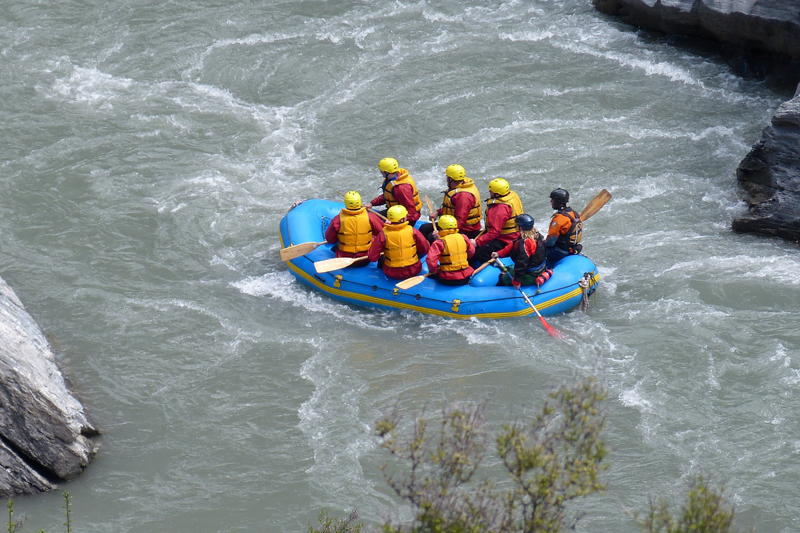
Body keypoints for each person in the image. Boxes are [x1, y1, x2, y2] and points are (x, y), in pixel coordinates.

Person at [420, 164, 482, 242]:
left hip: (465, 230)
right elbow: (453, 208)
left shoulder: (463, 197)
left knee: (431, 237)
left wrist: (442, 234)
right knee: (424, 228)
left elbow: (460, 222)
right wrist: (438, 212)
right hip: (451, 224)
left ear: (451, 179)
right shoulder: (460, 187)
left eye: (447, 177)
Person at [368, 205, 430, 280]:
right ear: (401, 220)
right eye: (405, 216)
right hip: (413, 270)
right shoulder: (413, 231)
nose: (407, 218)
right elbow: (425, 250)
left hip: (391, 272)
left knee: (382, 259)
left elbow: (372, 257)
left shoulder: (383, 233)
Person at [471, 178, 524, 265]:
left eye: (491, 191)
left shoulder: (500, 208)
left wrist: (477, 242)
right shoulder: (512, 196)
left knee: (481, 252)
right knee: (474, 235)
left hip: (505, 239)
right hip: (512, 234)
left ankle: (495, 268)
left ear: (497, 194)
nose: (490, 192)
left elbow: (494, 232)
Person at [490, 214, 551, 288]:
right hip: (541, 269)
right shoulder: (537, 235)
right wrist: (499, 253)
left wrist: (517, 281)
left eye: (517, 225)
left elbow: (522, 263)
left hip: (530, 275)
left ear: (521, 227)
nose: (516, 227)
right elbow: (512, 245)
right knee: (509, 268)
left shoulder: (524, 243)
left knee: (503, 278)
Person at [324, 191, 385, 258]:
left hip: (344, 257)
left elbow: (330, 239)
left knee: (339, 243)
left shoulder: (337, 220)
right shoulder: (371, 217)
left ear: (346, 203)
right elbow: (383, 234)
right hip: (366, 258)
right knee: (373, 238)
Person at [364, 157, 422, 224]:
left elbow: (411, 210)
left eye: (381, 171)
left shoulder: (402, 188)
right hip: (395, 212)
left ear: (386, 172)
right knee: (369, 219)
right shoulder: (392, 179)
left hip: (406, 217)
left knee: (375, 224)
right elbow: (388, 196)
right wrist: (372, 203)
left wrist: (396, 221)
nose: (380, 172)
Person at [426, 215, 475, 286]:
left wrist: (434, 271)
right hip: (465, 277)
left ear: (440, 228)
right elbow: (471, 252)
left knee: (431, 275)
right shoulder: (463, 237)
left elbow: (431, 261)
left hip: (447, 279)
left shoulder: (439, 243)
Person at [545, 188, 583, 268]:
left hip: (560, 251)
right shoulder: (576, 214)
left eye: (552, 199)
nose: (551, 201)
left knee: (537, 253)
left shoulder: (559, 218)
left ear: (558, 201)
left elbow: (551, 242)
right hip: (572, 248)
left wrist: (541, 245)